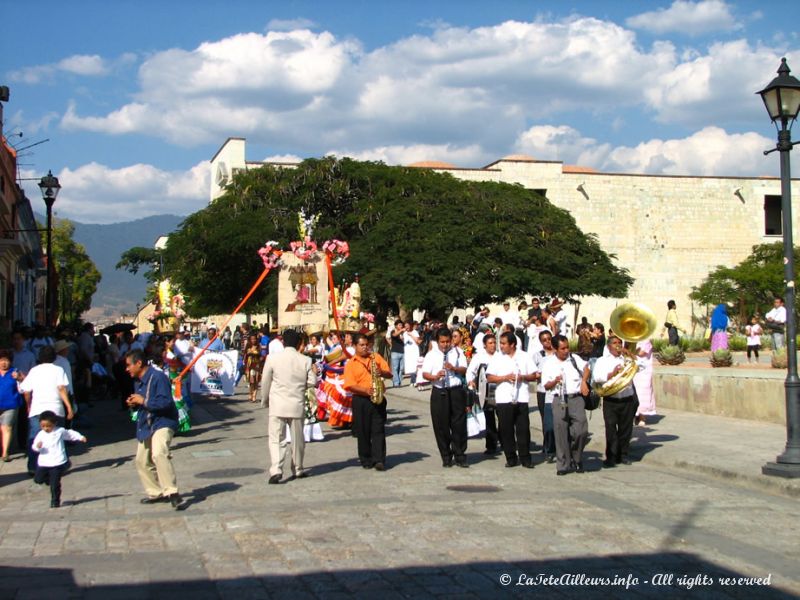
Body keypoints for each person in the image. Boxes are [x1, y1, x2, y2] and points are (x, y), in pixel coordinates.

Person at [125, 349, 182, 509]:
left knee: (159, 453)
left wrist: (143, 400)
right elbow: (142, 404)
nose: (127, 369)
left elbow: (165, 403)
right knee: (141, 460)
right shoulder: (138, 381)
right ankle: (156, 492)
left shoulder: (158, 377)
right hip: (146, 424)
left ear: (139, 363)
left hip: (163, 421)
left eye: (129, 365)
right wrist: (134, 404)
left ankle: (172, 492)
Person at [260, 329, 317, 483]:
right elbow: (312, 382)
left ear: (283, 341)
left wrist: (264, 400)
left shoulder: (272, 358)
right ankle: (298, 468)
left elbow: (265, 381)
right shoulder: (305, 360)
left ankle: (276, 469)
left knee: (276, 438)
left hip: (277, 403)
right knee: (298, 439)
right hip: (296, 404)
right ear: (298, 343)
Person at [486, 332, 539, 468]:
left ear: (512, 344)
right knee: (506, 429)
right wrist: (504, 377)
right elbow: (490, 377)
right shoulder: (498, 358)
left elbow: (534, 375)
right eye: (500, 343)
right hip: (504, 398)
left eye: (504, 343)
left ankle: (525, 457)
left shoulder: (524, 356)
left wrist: (522, 377)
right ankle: (511, 457)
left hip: (521, 397)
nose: (501, 346)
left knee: (523, 429)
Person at [19, 346, 73, 475]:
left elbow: (26, 391)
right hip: (55, 408)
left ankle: (33, 466)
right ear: (54, 357)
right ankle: (59, 465)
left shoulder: (34, 371)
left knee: (34, 438)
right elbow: (61, 389)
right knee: (57, 438)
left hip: (37, 409)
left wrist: (28, 405)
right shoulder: (58, 370)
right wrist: (69, 406)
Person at [542, 335, 590, 476]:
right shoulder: (549, 363)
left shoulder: (574, 358)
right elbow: (546, 385)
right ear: (555, 349)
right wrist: (555, 381)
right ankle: (563, 464)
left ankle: (577, 457)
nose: (566, 350)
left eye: (567, 347)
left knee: (581, 430)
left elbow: (586, 368)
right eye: (562, 348)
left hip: (575, 398)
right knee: (560, 432)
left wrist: (584, 381)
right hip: (559, 399)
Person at [343, 333, 392, 470]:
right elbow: (349, 385)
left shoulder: (376, 357)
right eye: (361, 345)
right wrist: (365, 391)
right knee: (363, 431)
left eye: (367, 345)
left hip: (378, 398)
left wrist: (381, 372)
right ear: (354, 346)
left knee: (378, 429)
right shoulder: (351, 364)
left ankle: (379, 459)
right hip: (361, 399)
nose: (365, 348)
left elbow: (389, 373)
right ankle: (366, 459)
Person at [421, 327, 469, 468]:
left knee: (458, 424)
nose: (445, 344)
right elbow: (425, 373)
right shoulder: (431, 354)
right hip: (439, 391)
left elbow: (464, 369)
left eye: (448, 341)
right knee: (441, 425)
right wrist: (435, 376)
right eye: (442, 342)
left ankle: (460, 455)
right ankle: (446, 456)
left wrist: (454, 368)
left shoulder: (458, 352)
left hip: (455, 390)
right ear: (438, 342)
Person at [593, 335, 639, 467]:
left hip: (627, 397)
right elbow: (597, 377)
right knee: (611, 429)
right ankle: (611, 456)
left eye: (620, 343)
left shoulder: (628, 359)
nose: (618, 345)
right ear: (608, 346)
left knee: (626, 429)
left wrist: (630, 355)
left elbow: (641, 368)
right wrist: (612, 373)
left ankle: (623, 454)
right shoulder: (602, 361)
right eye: (614, 343)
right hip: (611, 399)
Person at [32, 410, 86, 508]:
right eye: (43, 426)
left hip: (57, 462)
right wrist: (38, 446)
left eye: (48, 426)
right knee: (38, 479)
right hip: (44, 462)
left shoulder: (60, 431)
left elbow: (69, 434)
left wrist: (80, 437)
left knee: (55, 484)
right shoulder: (40, 434)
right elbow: (34, 446)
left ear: (54, 424)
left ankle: (55, 501)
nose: (46, 428)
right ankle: (48, 480)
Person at [465, 332, 500, 455]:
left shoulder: (500, 356)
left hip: (500, 390)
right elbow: (470, 371)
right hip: (486, 391)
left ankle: (504, 440)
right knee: (489, 418)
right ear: (484, 345)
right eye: (490, 343)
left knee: (502, 417)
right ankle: (491, 445)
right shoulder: (479, 357)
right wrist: (470, 381)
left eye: (494, 343)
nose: (493, 345)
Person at [533, 330, 556, 462]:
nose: (547, 342)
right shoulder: (537, 356)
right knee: (546, 421)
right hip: (543, 391)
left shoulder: (557, 354)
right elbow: (533, 373)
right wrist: (540, 374)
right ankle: (547, 445)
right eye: (544, 340)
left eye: (549, 339)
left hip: (556, 391)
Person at [0, 349, 24, 462]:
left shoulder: (15, 371)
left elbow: (24, 383)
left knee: (7, 427)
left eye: (6, 360)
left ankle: (5, 452)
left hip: (11, 405)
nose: (4, 363)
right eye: (1, 360)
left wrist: (19, 378)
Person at [633, 339, 656, 426]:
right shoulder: (631, 341)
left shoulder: (646, 341)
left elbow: (641, 353)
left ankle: (642, 416)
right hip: (634, 370)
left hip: (644, 372)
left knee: (643, 393)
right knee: (634, 393)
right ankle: (635, 415)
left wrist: (630, 351)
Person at [243, 333, 262, 402]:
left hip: (257, 365)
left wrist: (256, 353)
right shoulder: (248, 346)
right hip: (250, 365)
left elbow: (260, 354)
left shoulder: (258, 346)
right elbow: (245, 355)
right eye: (252, 339)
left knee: (256, 381)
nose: (253, 340)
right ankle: (250, 393)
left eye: (254, 339)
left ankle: (254, 396)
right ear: (250, 340)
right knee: (251, 381)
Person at [403, 321, 421, 385]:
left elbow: (418, 342)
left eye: (407, 325)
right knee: (410, 366)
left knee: (415, 366)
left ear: (410, 325)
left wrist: (411, 335)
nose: (406, 327)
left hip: (414, 351)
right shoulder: (404, 333)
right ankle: (412, 380)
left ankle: (415, 381)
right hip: (408, 352)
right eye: (405, 326)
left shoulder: (415, 332)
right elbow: (404, 341)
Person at [389, 320, 405, 387]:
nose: (401, 326)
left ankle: (399, 382)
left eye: (401, 325)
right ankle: (396, 383)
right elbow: (394, 335)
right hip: (395, 352)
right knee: (395, 368)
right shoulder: (393, 331)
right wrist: (401, 331)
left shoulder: (403, 333)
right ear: (396, 326)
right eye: (399, 325)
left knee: (401, 368)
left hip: (402, 352)